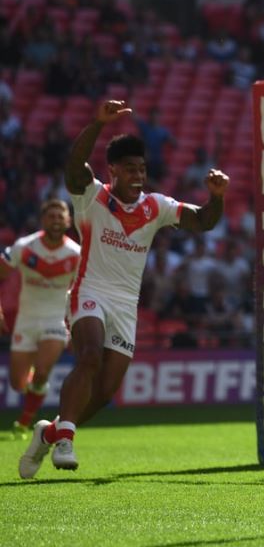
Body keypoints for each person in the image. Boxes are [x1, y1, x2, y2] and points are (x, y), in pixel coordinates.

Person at [18, 100, 228, 479]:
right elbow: (73, 166)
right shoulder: (91, 196)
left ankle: (48, 433)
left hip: (126, 305)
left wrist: (217, 197)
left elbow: (203, 222)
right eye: (130, 168)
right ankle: (66, 440)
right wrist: (97, 124)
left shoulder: (156, 206)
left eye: (142, 169)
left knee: (104, 393)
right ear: (112, 169)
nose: (138, 175)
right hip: (89, 290)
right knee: (89, 357)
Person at [0, 199, 80, 438]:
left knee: (43, 371)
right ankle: (33, 382)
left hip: (55, 320)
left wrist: (76, 324)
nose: (55, 220)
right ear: (43, 220)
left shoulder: (76, 254)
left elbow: (82, 291)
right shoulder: (25, 247)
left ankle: (24, 423)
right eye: (51, 216)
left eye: (60, 217)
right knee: (17, 384)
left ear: (68, 221)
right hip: (26, 320)